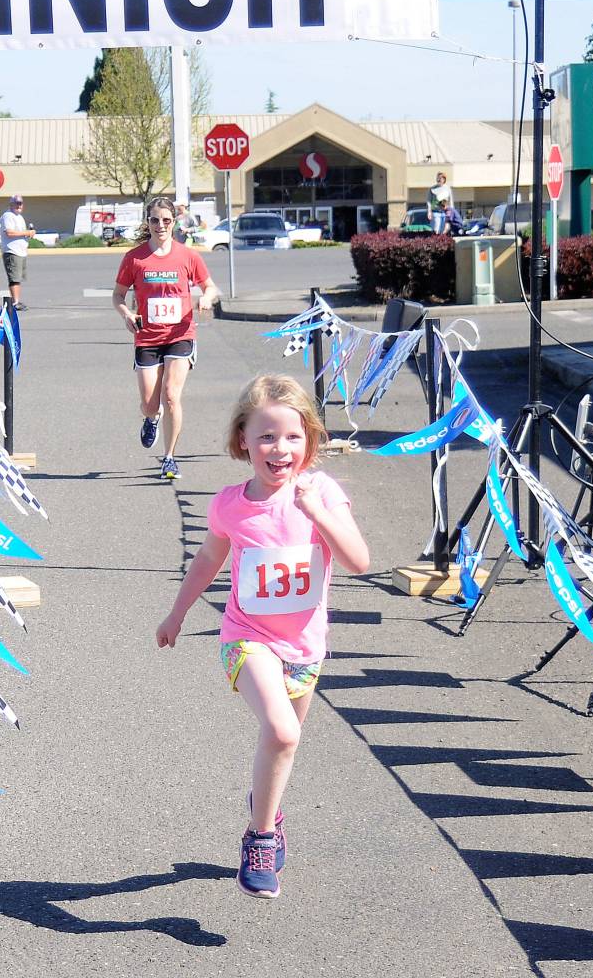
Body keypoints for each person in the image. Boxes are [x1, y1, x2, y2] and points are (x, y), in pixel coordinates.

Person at [155, 375, 370, 898]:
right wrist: (177, 613)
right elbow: (208, 558)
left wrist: (315, 512)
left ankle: (266, 808)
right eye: (267, 437)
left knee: (282, 745)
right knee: (282, 732)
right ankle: (261, 837)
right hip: (246, 637)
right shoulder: (231, 504)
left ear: (311, 442)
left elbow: (360, 562)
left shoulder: (321, 492)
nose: (281, 449)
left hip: (304, 648)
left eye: (293, 437)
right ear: (243, 441)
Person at [112, 196, 221, 481]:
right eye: (154, 220)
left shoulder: (188, 256)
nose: (160, 226)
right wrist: (126, 314)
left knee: (171, 395)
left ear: (174, 222)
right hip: (146, 336)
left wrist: (206, 299)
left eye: (166, 220)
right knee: (150, 404)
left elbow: (210, 287)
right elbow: (118, 295)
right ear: (147, 223)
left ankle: (169, 458)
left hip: (180, 334)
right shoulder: (134, 258)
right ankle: (151, 419)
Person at [0, 194, 35, 311]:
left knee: (18, 278)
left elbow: (20, 234)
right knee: (14, 278)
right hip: (12, 251)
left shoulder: (20, 217)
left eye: (20, 203)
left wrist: (28, 234)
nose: (19, 205)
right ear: (11, 204)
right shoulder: (8, 216)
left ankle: (17, 301)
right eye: (16, 203)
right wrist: (26, 233)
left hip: (20, 251)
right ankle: (15, 303)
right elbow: (9, 233)